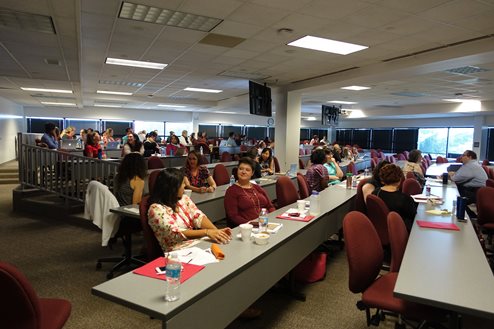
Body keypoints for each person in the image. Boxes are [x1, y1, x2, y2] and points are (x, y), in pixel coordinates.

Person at [148, 168, 232, 252]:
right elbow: (175, 233)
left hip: (194, 244)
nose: (184, 186)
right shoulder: (156, 209)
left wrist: (217, 232)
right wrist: (207, 232)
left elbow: (198, 217)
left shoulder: (183, 199)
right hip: (176, 251)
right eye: (182, 184)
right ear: (172, 188)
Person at [224, 157, 275, 227]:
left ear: (252, 173)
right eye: (241, 169)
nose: (243, 172)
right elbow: (233, 216)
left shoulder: (257, 187)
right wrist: (253, 224)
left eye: (247, 170)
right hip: (248, 227)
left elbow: (270, 206)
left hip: (267, 223)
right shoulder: (232, 191)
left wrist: (273, 217)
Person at [373, 164, 417, 231]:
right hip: (401, 231)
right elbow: (414, 216)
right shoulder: (405, 199)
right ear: (400, 179)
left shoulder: (375, 193)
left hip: (378, 230)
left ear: (382, 179)